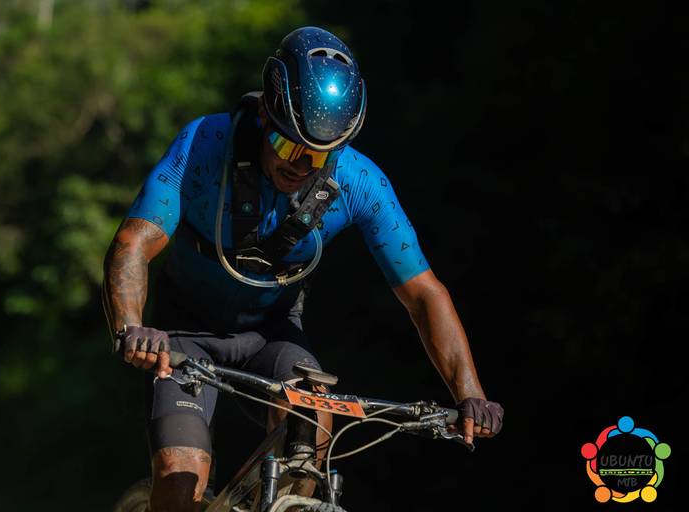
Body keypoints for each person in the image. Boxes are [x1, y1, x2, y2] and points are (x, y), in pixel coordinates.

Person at [102, 26, 504, 512]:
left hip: (272, 335)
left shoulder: (360, 182)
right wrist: (131, 326)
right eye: (288, 145)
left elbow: (423, 293)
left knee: (311, 432)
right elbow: (133, 244)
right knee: (180, 475)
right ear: (264, 115)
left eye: (318, 155)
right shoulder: (204, 145)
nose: (300, 166)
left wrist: (469, 394)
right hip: (185, 333)